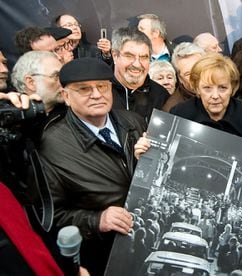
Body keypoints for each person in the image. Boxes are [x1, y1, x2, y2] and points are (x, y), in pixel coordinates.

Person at [39, 57, 147, 276]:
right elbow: (49, 217)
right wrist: (97, 220)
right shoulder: (52, 145)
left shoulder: (134, 122)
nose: (97, 94)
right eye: (84, 89)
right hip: (101, 258)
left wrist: (143, 162)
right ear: (66, 96)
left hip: (142, 244)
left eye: (102, 86)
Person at [170, 53, 242, 142]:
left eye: (222, 88)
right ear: (197, 88)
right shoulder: (180, 114)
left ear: (232, 88)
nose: (215, 96)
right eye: (207, 88)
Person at [110, 27, 170, 123]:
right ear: (115, 55)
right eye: (129, 56)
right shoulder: (99, 92)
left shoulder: (160, 96)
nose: (137, 64)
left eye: (143, 57)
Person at [11, 51, 65, 117]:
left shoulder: (74, 111)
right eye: (56, 76)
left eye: (63, 75)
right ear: (31, 82)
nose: (63, 80)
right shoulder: (11, 117)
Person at [162, 42, 204, 112]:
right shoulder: (173, 109)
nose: (196, 76)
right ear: (180, 78)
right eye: (188, 74)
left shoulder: (224, 87)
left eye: (199, 68)